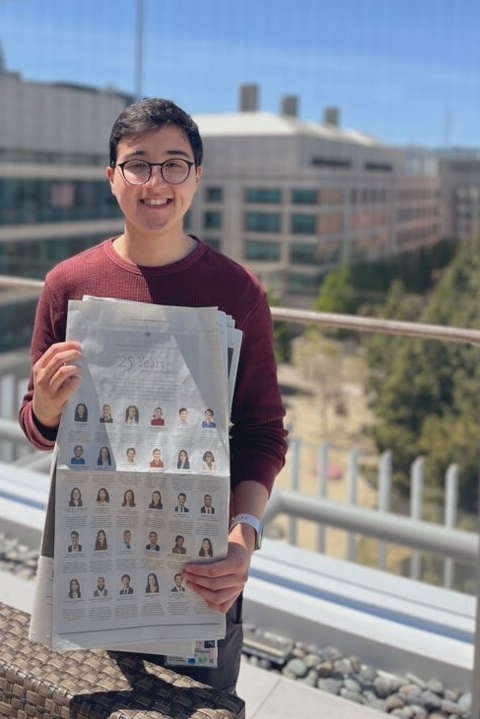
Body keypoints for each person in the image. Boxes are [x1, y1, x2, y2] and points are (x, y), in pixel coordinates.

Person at [20, 98, 287, 694]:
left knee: (197, 705)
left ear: (197, 178)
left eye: (174, 164)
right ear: (112, 177)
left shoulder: (238, 291)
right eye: (137, 164)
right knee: (83, 700)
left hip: (200, 561)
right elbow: (38, 428)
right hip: (89, 548)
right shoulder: (68, 284)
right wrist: (44, 407)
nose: (155, 182)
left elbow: (265, 430)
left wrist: (244, 535)